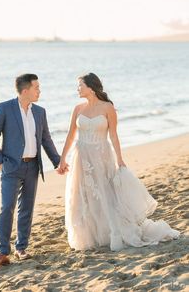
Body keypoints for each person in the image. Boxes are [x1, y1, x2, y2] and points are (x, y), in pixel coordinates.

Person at [58, 73, 179, 251]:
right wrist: (62, 159)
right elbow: (70, 136)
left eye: (80, 85)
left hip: (102, 155)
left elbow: (113, 135)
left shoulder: (108, 107)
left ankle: (112, 231)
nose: (77, 89)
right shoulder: (77, 109)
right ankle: (90, 235)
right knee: (83, 195)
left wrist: (120, 158)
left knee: (106, 193)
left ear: (90, 87)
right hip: (81, 156)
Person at [0, 73, 68, 267]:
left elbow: (46, 139)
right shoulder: (4, 108)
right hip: (11, 167)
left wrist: (58, 162)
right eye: (36, 88)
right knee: (7, 207)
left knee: (27, 209)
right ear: (25, 90)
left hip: (32, 167)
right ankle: (2, 251)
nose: (39, 91)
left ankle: (21, 248)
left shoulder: (40, 112)